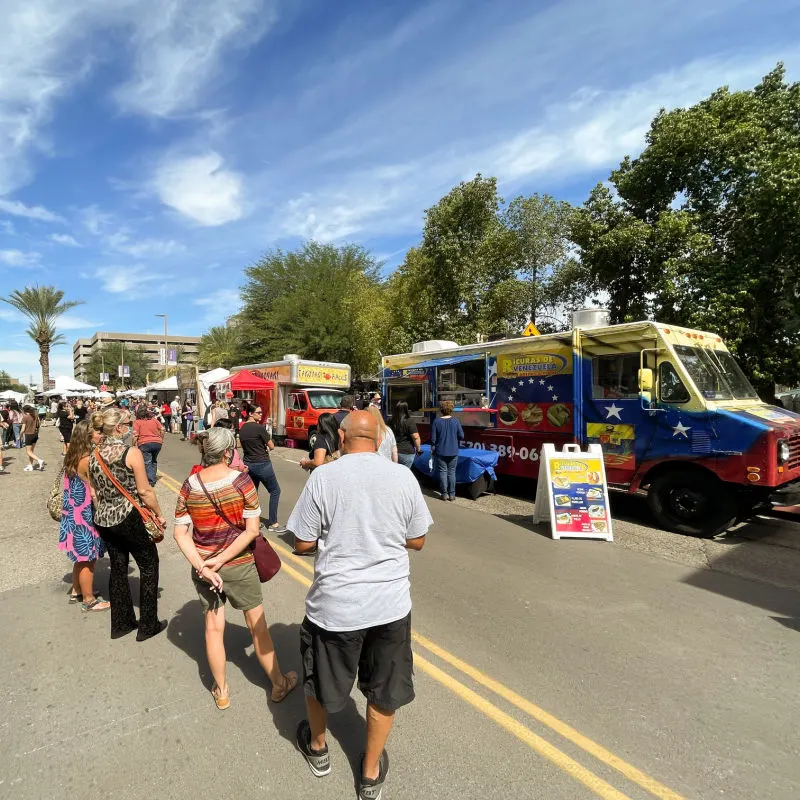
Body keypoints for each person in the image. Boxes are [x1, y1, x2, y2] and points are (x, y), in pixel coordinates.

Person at [288, 411, 432, 798]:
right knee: (384, 691)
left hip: (336, 606)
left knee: (320, 681)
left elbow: (301, 542)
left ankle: (318, 748)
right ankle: (369, 774)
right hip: (390, 606)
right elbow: (417, 539)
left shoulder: (324, 477)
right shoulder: (403, 477)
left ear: (341, 438)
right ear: (381, 436)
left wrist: (341, 540)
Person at [173, 428, 297, 710]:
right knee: (258, 628)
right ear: (229, 452)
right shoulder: (242, 482)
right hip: (239, 563)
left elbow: (180, 534)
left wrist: (205, 566)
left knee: (213, 629)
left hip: (204, 565)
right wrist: (222, 559)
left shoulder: (189, 484)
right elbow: (252, 530)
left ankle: (222, 691)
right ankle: (279, 683)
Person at [89, 407, 166, 641]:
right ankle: (148, 624)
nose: (132, 426)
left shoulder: (95, 454)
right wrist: (158, 514)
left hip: (104, 517)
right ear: (120, 428)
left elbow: (95, 492)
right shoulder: (130, 452)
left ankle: (121, 623)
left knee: (118, 567)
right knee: (149, 565)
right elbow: (144, 490)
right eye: (129, 423)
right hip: (128, 515)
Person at [60, 420, 110, 612]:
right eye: (98, 431)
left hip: (73, 513)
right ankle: (89, 600)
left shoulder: (73, 456)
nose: (101, 434)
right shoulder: (87, 460)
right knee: (89, 558)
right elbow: (95, 489)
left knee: (80, 558)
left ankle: (77, 590)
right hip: (85, 515)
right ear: (88, 435)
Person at [239, 405, 285, 532]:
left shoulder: (242, 429)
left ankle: (254, 521)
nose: (260, 414)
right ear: (250, 413)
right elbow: (272, 446)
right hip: (262, 463)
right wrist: (265, 447)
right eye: (258, 412)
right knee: (275, 491)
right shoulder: (259, 428)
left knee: (253, 494)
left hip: (248, 463)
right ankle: (273, 523)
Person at [431, 400, 464, 501]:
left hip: (441, 451)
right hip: (453, 450)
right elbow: (461, 436)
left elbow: (433, 439)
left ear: (441, 410)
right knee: (452, 473)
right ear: (451, 409)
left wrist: (432, 449)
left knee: (443, 472)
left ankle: (444, 494)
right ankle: (452, 495)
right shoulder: (456, 421)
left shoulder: (436, 422)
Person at [133, 405, 165, 486]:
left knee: (147, 462)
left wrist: (133, 445)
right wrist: (161, 438)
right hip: (157, 442)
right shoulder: (154, 420)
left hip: (144, 443)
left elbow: (135, 435)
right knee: (153, 461)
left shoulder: (137, 422)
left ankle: (151, 481)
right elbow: (162, 429)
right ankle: (152, 478)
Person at [391, 402, 421, 468]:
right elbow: (416, 437)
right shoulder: (409, 421)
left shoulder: (390, 421)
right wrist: (418, 450)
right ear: (406, 409)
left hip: (393, 451)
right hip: (407, 452)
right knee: (405, 474)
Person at [21, 405, 44, 471]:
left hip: (28, 435)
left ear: (24, 411)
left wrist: (19, 436)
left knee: (28, 451)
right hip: (35, 434)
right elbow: (38, 425)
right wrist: (37, 433)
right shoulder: (35, 416)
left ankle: (39, 460)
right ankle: (30, 465)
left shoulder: (25, 417)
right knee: (31, 451)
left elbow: (23, 429)